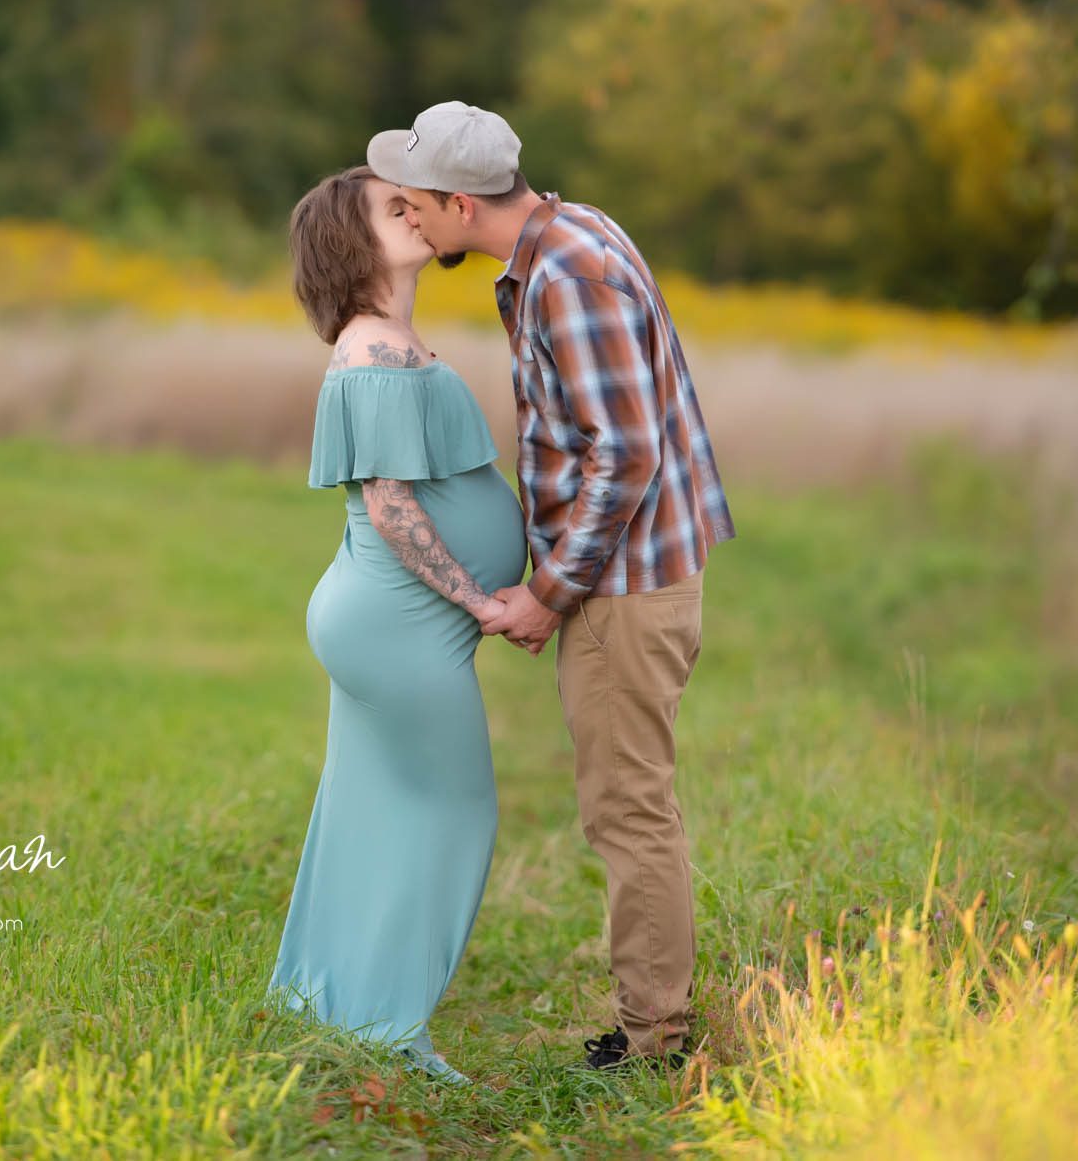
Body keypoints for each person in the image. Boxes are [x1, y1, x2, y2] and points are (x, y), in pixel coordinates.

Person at [366, 100, 738, 1073]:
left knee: (626, 807)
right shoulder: (568, 234)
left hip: (623, 588)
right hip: (630, 576)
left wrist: (546, 592)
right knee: (629, 801)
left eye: (413, 202)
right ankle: (655, 1023)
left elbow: (624, 454)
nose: (408, 218)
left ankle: (655, 1041)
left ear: (457, 202)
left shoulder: (567, 273)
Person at [266, 162, 529, 1087]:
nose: (414, 212)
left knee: (367, 811)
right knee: (456, 814)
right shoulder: (372, 350)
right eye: (393, 207)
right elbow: (391, 505)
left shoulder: (388, 339)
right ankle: (388, 1029)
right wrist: (482, 599)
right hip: (401, 620)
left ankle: (321, 1001)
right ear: (355, 241)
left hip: (388, 616)